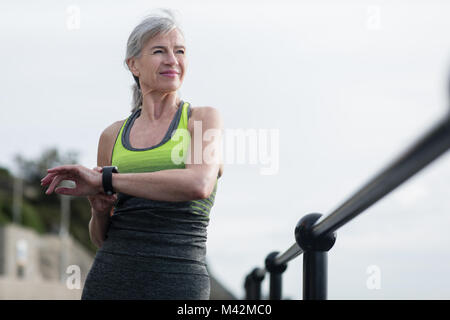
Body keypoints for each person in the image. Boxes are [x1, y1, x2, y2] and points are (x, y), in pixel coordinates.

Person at [40, 9, 223, 300]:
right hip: (110, 279)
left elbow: (198, 184)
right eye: (159, 51)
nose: (172, 60)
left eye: (180, 51)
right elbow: (101, 238)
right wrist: (99, 210)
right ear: (134, 65)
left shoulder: (202, 120)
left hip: (179, 281)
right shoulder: (111, 136)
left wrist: (108, 180)